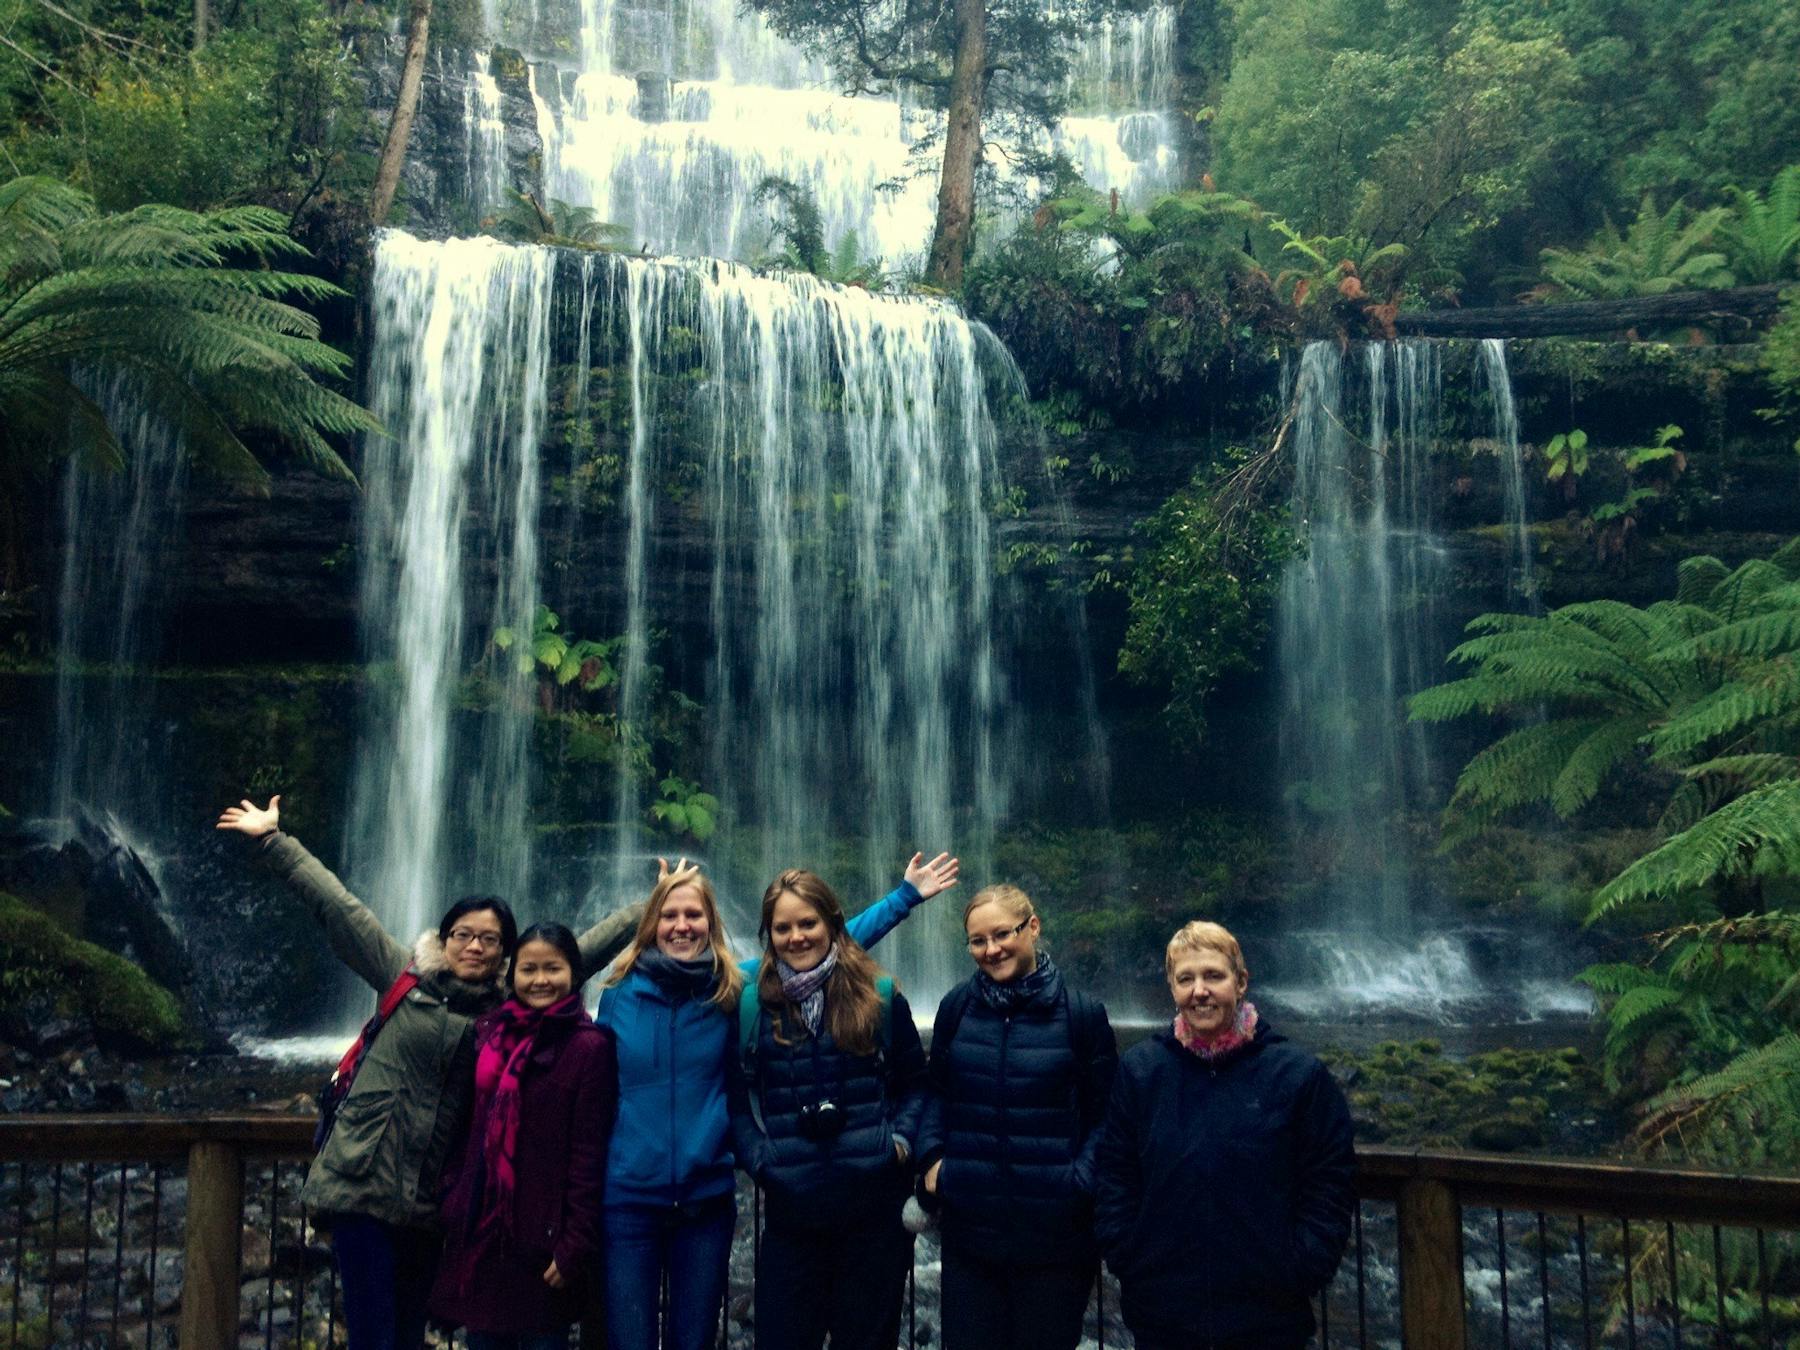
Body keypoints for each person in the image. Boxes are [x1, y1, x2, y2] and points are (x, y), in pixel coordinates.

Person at [214, 795, 643, 1350]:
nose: (475, 946)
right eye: (463, 934)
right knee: (375, 1335)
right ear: (444, 939)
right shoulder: (402, 974)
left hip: (432, 1204)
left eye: (490, 939)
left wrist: (649, 908)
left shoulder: (507, 1011)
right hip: (365, 1183)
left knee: (408, 1335)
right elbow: (340, 909)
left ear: (505, 954)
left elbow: (572, 957)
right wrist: (275, 841)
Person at [599, 852, 956, 1350]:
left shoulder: (728, 986)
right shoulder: (621, 996)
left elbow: (823, 939)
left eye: (693, 914)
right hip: (640, 1197)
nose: (681, 926)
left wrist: (904, 898)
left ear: (712, 924)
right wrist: (761, 1159)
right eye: (669, 915)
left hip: (717, 1197)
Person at [1095, 920, 1356, 1350]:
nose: (1200, 991)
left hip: (1269, 1318)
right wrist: (1130, 1256)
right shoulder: (1142, 1072)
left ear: (1241, 982)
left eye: (1213, 976)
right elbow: (1115, 1173)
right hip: (1163, 1315)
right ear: (1172, 988)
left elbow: (1329, 1180)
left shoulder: (1295, 1074)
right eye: (1186, 979)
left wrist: (1301, 1267)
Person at [727, 869, 930, 1350]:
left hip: (874, 1215)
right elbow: (735, 1102)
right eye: (782, 928)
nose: (796, 937)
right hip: (792, 1215)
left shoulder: (878, 996)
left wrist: (898, 1145)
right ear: (768, 935)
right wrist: (760, 1160)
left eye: (808, 923)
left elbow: (917, 1086)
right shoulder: (752, 1005)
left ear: (833, 925)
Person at [914, 883, 1117, 1350]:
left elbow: (1108, 1117)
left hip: (1056, 1242)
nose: (992, 949)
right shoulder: (956, 1008)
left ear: (1033, 927)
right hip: (970, 1236)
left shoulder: (1081, 1015)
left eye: (1002, 934)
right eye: (978, 941)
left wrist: (1077, 1183)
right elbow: (935, 1095)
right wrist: (933, 1164)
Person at [429, 922, 615, 1350]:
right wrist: (452, 1197)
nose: (540, 980)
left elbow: (588, 1155)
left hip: (543, 1245)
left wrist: (574, 1243)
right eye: (529, 969)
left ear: (573, 973)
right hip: (483, 1238)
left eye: (553, 968)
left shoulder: (589, 1047)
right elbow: (466, 1126)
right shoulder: (490, 1035)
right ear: (512, 974)